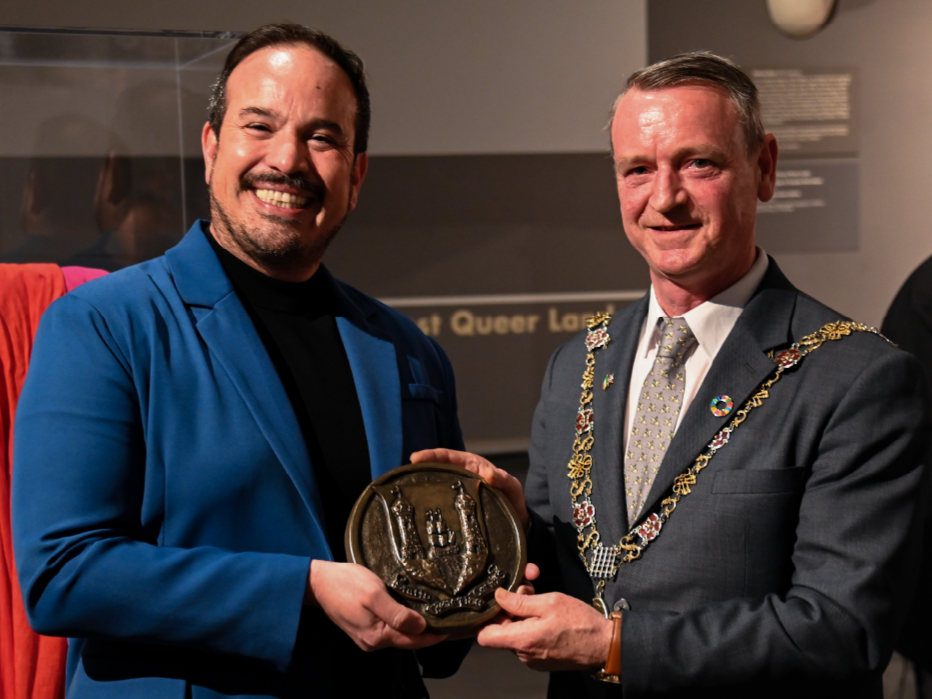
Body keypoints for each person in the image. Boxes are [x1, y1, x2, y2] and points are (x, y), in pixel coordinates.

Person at [414, 52, 929, 698]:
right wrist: (512, 529)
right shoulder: (578, 362)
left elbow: (840, 629)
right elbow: (583, 574)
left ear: (763, 168)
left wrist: (614, 645)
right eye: (638, 169)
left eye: (698, 163)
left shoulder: (857, 376)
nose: (665, 198)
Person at [13, 24, 466, 699]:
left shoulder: (408, 350)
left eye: (322, 137)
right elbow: (62, 572)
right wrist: (303, 587)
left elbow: (442, 615)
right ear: (211, 146)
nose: (288, 159)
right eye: (260, 126)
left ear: (358, 173)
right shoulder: (104, 324)